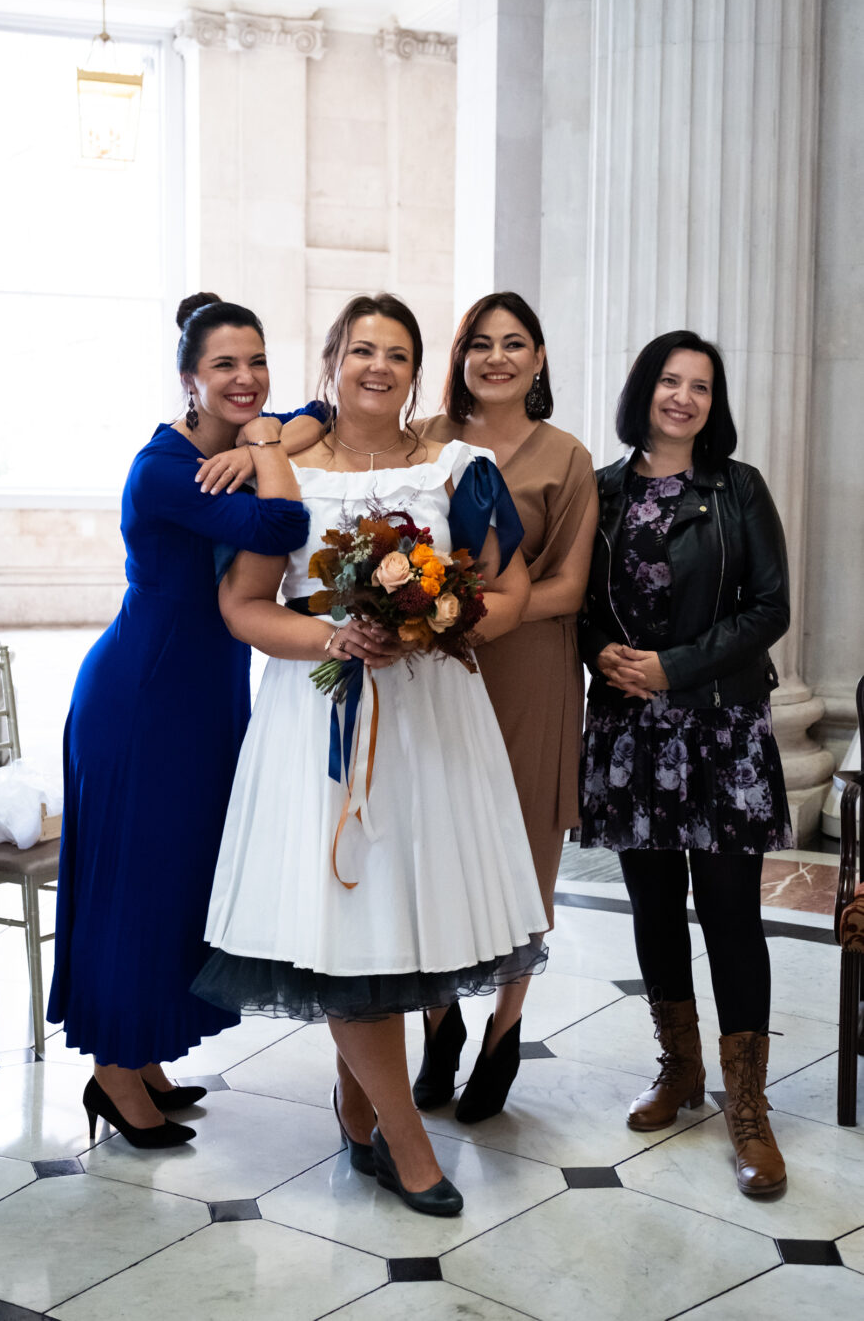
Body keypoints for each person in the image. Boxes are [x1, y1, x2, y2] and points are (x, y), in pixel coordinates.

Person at [191, 293, 548, 1216]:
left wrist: (438, 620)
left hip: (433, 720)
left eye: (395, 353)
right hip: (322, 720)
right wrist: (337, 641)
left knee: (403, 919)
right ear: (332, 364)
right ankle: (406, 1137)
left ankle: (358, 1109)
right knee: (348, 926)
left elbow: (507, 592)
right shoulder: (282, 471)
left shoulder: (459, 469)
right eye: (360, 351)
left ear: (415, 372)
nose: (377, 367)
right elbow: (246, 608)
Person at [47, 293, 317, 1149]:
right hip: (141, 699)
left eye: (257, 362)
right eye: (225, 366)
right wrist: (264, 445)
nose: (247, 381)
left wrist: (263, 439)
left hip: (204, 699)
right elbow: (284, 522)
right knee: (133, 884)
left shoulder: (235, 444)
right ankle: (113, 1074)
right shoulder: (164, 470)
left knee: (180, 882)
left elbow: (319, 413)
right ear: (188, 380)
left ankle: (147, 1058)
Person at [578, 329, 792, 1195]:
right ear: (646, 391)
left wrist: (676, 666)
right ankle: (680, 1070)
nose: (684, 397)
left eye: (701, 386)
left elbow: (770, 607)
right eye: (670, 381)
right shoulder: (602, 493)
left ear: (715, 402)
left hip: (719, 728)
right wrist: (604, 657)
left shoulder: (739, 490)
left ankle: (749, 1106)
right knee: (655, 909)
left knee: (733, 913)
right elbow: (578, 608)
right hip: (632, 734)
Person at [414, 292, 597, 1122]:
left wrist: (467, 618)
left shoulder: (567, 457)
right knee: (432, 847)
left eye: (513, 343)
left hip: (528, 672)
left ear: (539, 358)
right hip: (429, 674)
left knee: (521, 858)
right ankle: (440, 1022)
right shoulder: (423, 442)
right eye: (479, 343)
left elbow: (567, 585)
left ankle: (504, 1030)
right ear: (459, 358)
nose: (496, 357)